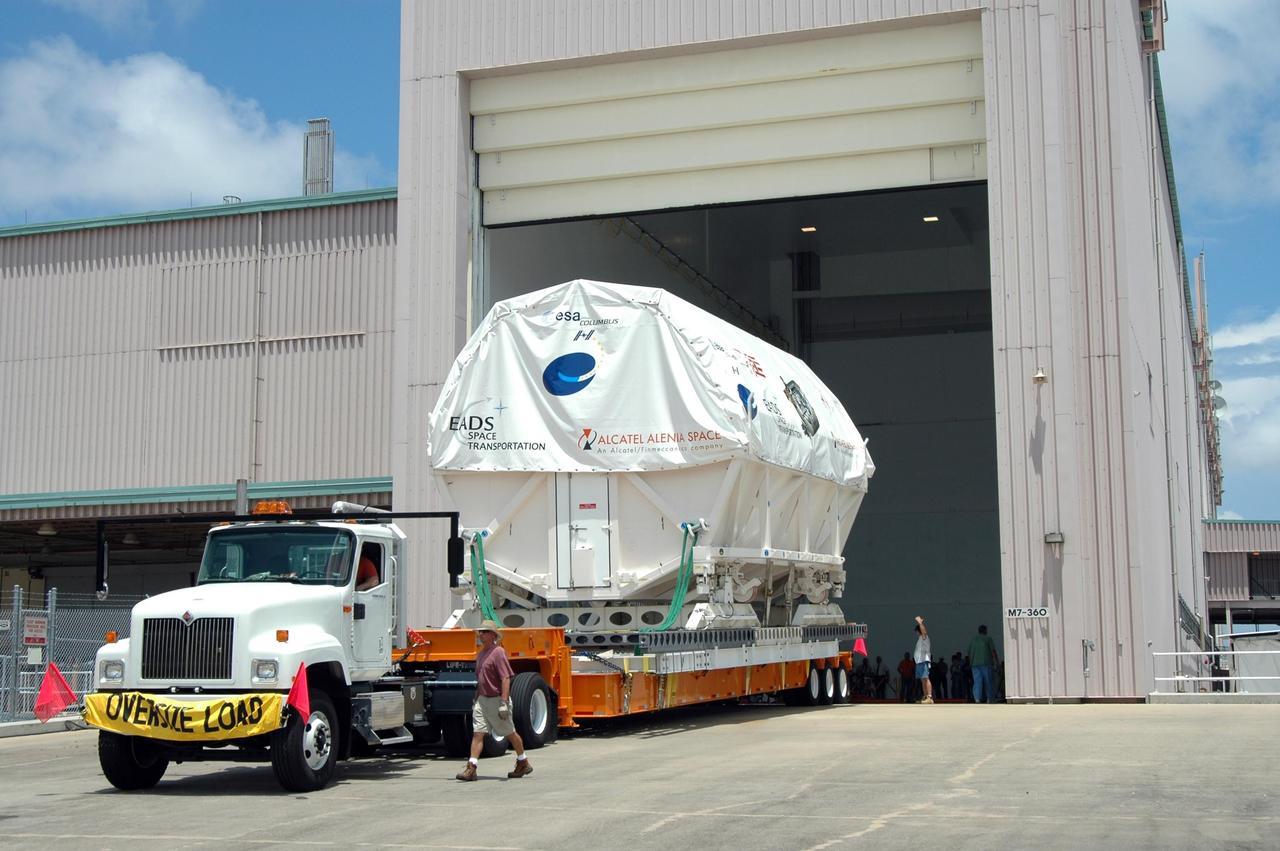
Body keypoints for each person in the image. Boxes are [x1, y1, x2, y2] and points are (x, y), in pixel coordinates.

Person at [455, 620, 532, 781]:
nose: (481, 634)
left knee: (510, 733)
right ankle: (471, 768)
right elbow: (481, 679)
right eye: (480, 632)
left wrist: (504, 703)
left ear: (493, 635)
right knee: (478, 734)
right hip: (482, 700)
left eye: (484, 632)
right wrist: (476, 699)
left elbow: (505, 678)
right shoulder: (481, 653)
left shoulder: (498, 652)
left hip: (497, 700)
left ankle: (523, 761)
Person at [967, 624, 1000, 703]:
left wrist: (970, 663)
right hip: (986, 663)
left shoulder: (973, 640)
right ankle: (989, 699)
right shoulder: (988, 639)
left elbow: (969, 653)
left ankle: (977, 699)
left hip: (975, 664)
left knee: (977, 682)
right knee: (988, 681)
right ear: (985, 631)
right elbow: (993, 651)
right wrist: (997, 662)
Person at [913, 616, 933, 704]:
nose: (916, 633)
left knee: (926, 678)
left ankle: (929, 697)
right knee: (922, 680)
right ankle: (925, 697)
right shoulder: (920, 639)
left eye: (917, 631)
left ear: (919, 631)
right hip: (919, 661)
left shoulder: (924, 637)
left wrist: (920, 623)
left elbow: (924, 632)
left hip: (923, 661)